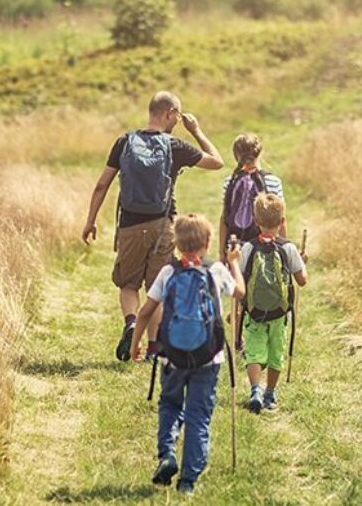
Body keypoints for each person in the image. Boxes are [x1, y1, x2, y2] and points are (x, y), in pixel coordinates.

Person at [81, 91, 224, 362]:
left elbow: (102, 184)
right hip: (163, 226)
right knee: (156, 287)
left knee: (128, 283)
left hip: (130, 225)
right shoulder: (173, 145)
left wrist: (90, 220)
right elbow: (216, 161)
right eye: (178, 117)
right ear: (170, 113)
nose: (178, 122)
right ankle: (153, 349)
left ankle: (131, 322)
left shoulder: (124, 142)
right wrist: (196, 130)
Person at [128, 214, 245, 496]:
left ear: (176, 245)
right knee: (198, 416)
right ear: (207, 242)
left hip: (172, 355)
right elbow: (240, 292)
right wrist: (234, 262)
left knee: (170, 404)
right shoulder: (216, 270)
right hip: (208, 357)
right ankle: (188, 481)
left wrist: (136, 344)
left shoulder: (168, 273)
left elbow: (145, 312)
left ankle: (167, 454)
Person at [238, 194, 307, 413]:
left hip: (254, 313)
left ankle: (255, 390)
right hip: (279, 314)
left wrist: (238, 309)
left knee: (254, 352)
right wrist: (302, 264)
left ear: (255, 221)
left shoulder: (248, 249)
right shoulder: (288, 248)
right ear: (282, 221)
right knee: (276, 353)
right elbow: (301, 281)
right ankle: (270, 394)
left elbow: (239, 280)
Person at [218, 133, 286, 262]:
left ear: (236, 156)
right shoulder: (273, 181)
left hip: (235, 247)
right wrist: (285, 247)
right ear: (259, 153)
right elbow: (282, 219)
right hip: (265, 248)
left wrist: (221, 253)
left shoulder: (230, 181)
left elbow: (224, 218)